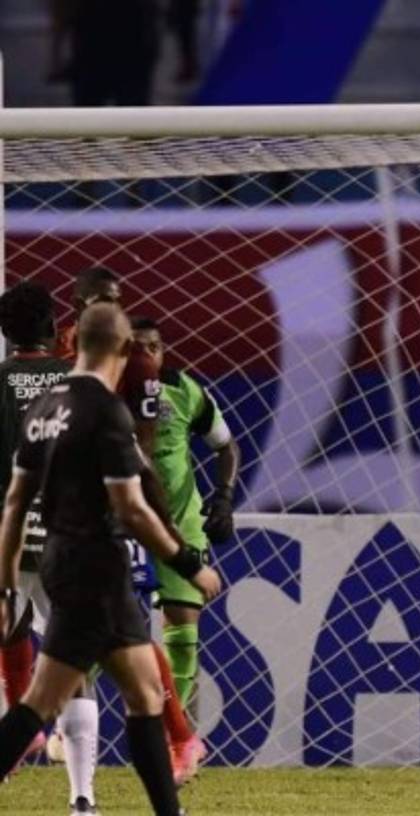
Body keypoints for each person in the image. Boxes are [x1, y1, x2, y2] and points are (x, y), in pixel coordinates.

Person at [0, 302, 221, 816]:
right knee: (42, 702)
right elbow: (132, 509)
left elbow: (13, 505)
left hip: (61, 561)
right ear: (121, 349)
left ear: (73, 344)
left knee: (145, 693)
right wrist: (190, 563)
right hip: (94, 569)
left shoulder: (44, 409)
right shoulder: (106, 410)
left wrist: (7, 585)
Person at [57, 266, 208, 785]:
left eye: (115, 299)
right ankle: (176, 737)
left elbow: (141, 450)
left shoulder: (139, 364)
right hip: (64, 515)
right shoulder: (58, 360)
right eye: (99, 298)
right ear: (75, 306)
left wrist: (155, 524)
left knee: (125, 634)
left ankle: (176, 736)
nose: (110, 306)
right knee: (101, 634)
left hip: (113, 517)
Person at [130, 317, 238, 712]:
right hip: (123, 522)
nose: (145, 355)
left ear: (163, 351)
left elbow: (226, 447)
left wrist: (224, 496)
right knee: (98, 630)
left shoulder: (185, 390)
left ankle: (174, 740)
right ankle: (67, 726)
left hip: (180, 521)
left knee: (183, 630)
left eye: (152, 347)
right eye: (136, 347)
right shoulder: (106, 391)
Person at [0, 283, 73, 787]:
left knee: (9, 628)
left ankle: (18, 733)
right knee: (77, 646)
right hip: (68, 532)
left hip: (10, 529)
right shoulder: (76, 380)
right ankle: (81, 785)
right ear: (51, 325)